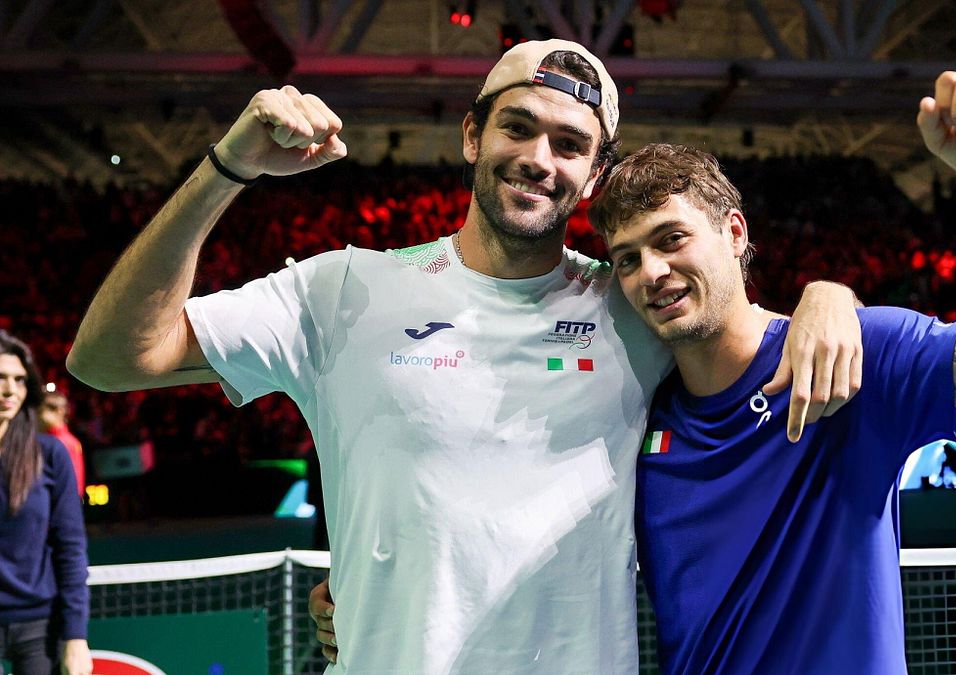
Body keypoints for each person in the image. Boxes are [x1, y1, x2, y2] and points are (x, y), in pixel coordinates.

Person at [67, 39, 862, 673]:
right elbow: (108, 358)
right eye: (518, 127)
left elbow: (751, 332)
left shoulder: (631, 307)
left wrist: (831, 295)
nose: (539, 157)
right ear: (473, 135)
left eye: (570, 144)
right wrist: (227, 170)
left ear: (593, 176)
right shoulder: (342, 290)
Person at [584, 71, 956, 673]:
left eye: (672, 239)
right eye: (628, 259)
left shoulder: (860, 357)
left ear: (734, 233)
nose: (651, 272)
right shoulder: (636, 415)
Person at [0, 331, 91, 675]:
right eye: (1, 378)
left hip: (40, 626)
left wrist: (76, 636)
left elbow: (70, 546)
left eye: (19, 380)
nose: (10, 390)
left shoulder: (50, 454)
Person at [38, 392, 85, 497]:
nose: (40, 416)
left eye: (43, 410)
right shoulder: (42, 439)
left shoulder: (69, 443)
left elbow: (75, 483)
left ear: (60, 411)